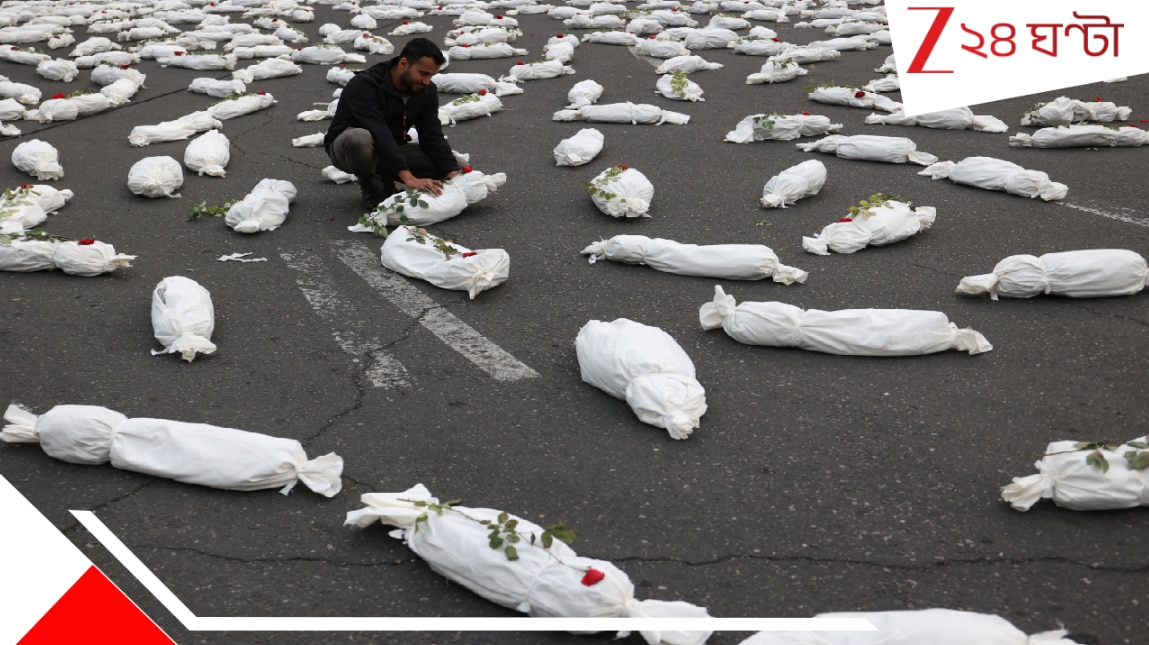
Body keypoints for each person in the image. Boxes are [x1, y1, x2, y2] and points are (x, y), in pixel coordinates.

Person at [325, 38, 459, 211]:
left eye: (431, 76)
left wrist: (452, 171)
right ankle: (374, 191)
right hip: (350, 151)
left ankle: (388, 177)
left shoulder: (426, 91)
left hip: (392, 149)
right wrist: (407, 177)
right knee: (359, 138)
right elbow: (378, 130)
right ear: (404, 63)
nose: (427, 81)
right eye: (423, 73)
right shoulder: (365, 84)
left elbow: (431, 134)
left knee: (457, 166)